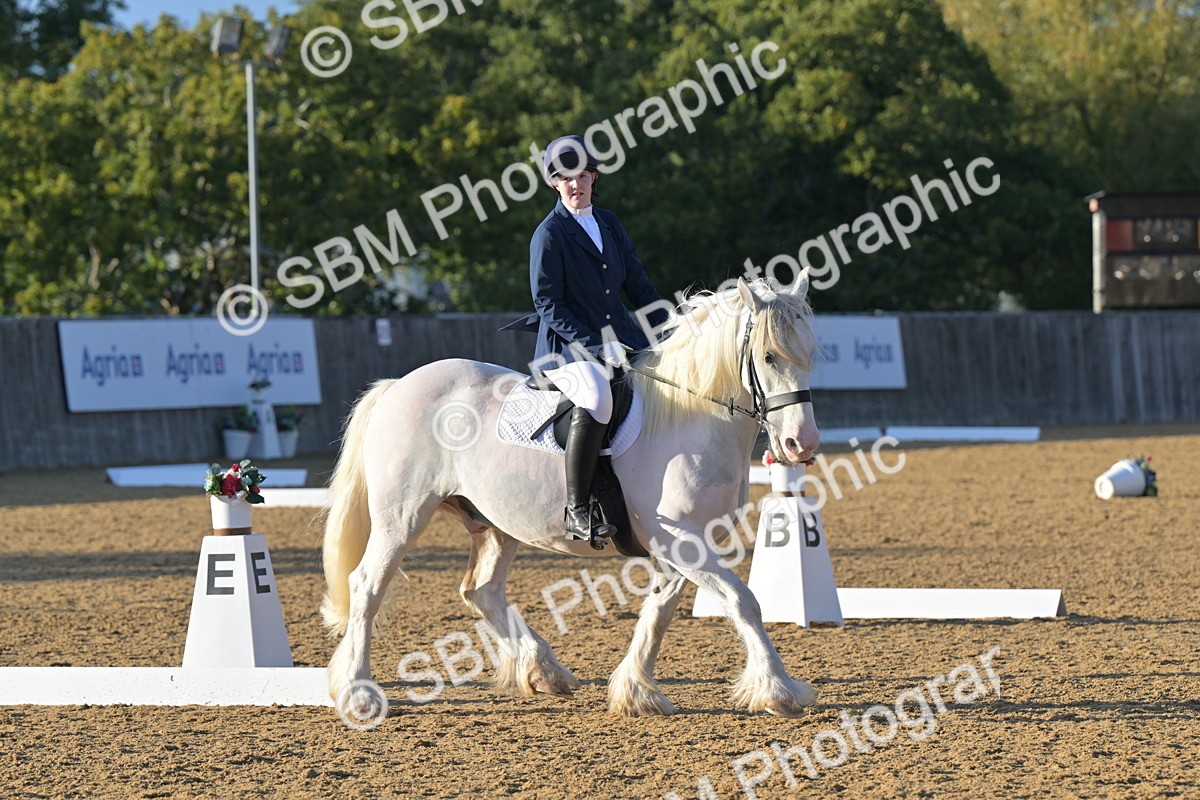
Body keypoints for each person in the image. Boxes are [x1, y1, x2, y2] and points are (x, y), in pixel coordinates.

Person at [504, 135, 665, 544]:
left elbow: (638, 284)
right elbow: (547, 303)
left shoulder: (609, 223)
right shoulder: (549, 233)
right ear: (554, 183)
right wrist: (596, 345)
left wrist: (671, 325)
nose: (575, 184)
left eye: (582, 175)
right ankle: (577, 509)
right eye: (565, 178)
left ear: (594, 177)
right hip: (567, 350)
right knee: (596, 396)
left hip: (622, 338)